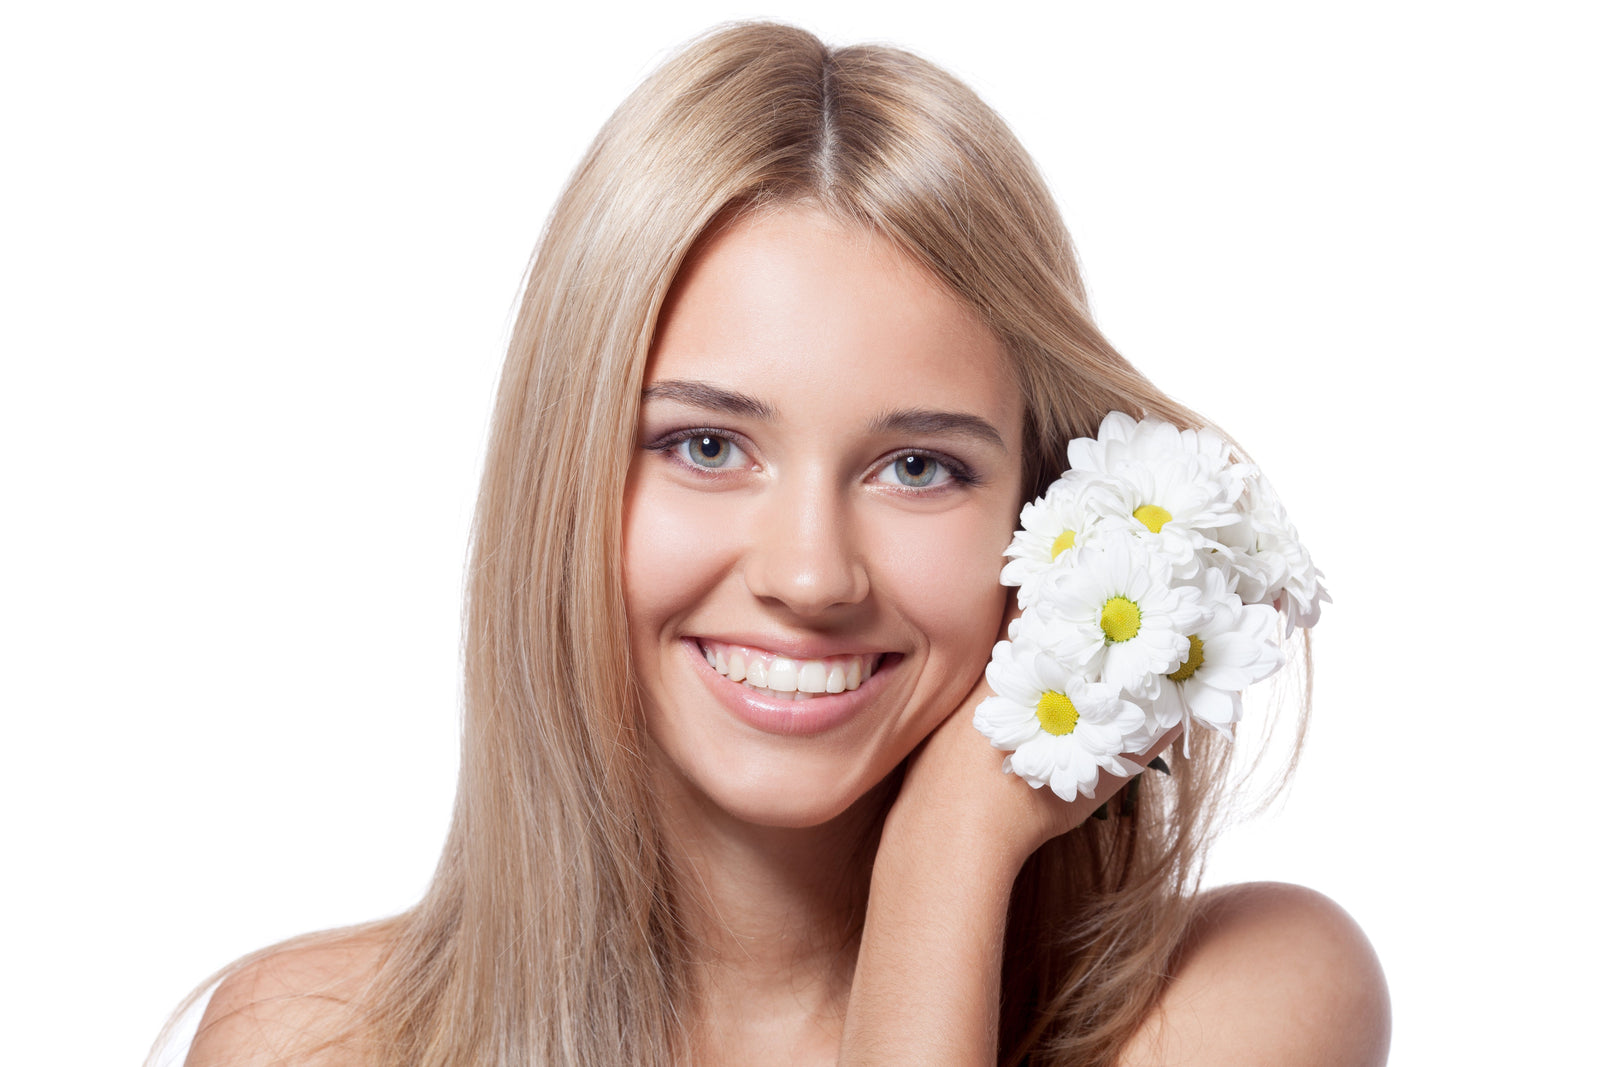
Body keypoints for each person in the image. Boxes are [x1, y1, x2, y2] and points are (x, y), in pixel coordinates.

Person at [165, 22, 1389, 1066]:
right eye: (705, 447)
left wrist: (950, 845)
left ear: (1049, 515)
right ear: (563, 476)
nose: (809, 575)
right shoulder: (313, 1037)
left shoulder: (1235, 1003)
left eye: (919, 467)